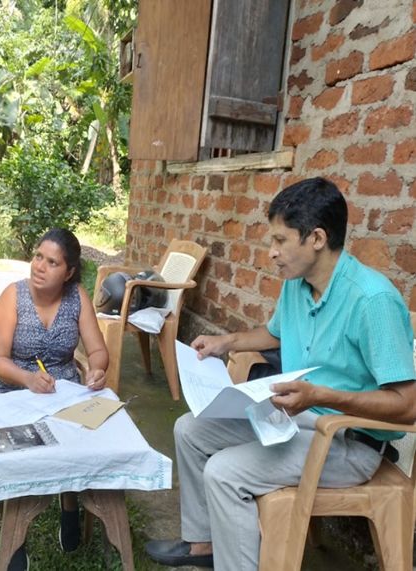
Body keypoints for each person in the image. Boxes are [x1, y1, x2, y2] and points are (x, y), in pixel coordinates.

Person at [145, 177, 416, 570]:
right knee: (190, 429)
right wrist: (227, 342)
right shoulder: (298, 284)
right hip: (297, 419)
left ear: (317, 238)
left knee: (224, 472)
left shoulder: (372, 300)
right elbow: (276, 333)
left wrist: (321, 396)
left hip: (347, 442)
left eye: (280, 240)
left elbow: (407, 406)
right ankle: (204, 544)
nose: (271, 252)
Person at [0, 227, 109, 571]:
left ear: (68, 272)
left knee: (80, 439)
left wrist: (97, 370)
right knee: (20, 453)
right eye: (38, 256)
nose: (39, 266)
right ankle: (16, 535)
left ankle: (69, 505)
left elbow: (97, 351)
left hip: (64, 393)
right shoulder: (12, 296)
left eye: (52, 262)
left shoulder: (77, 297)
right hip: (14, 390)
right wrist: (28, 379)